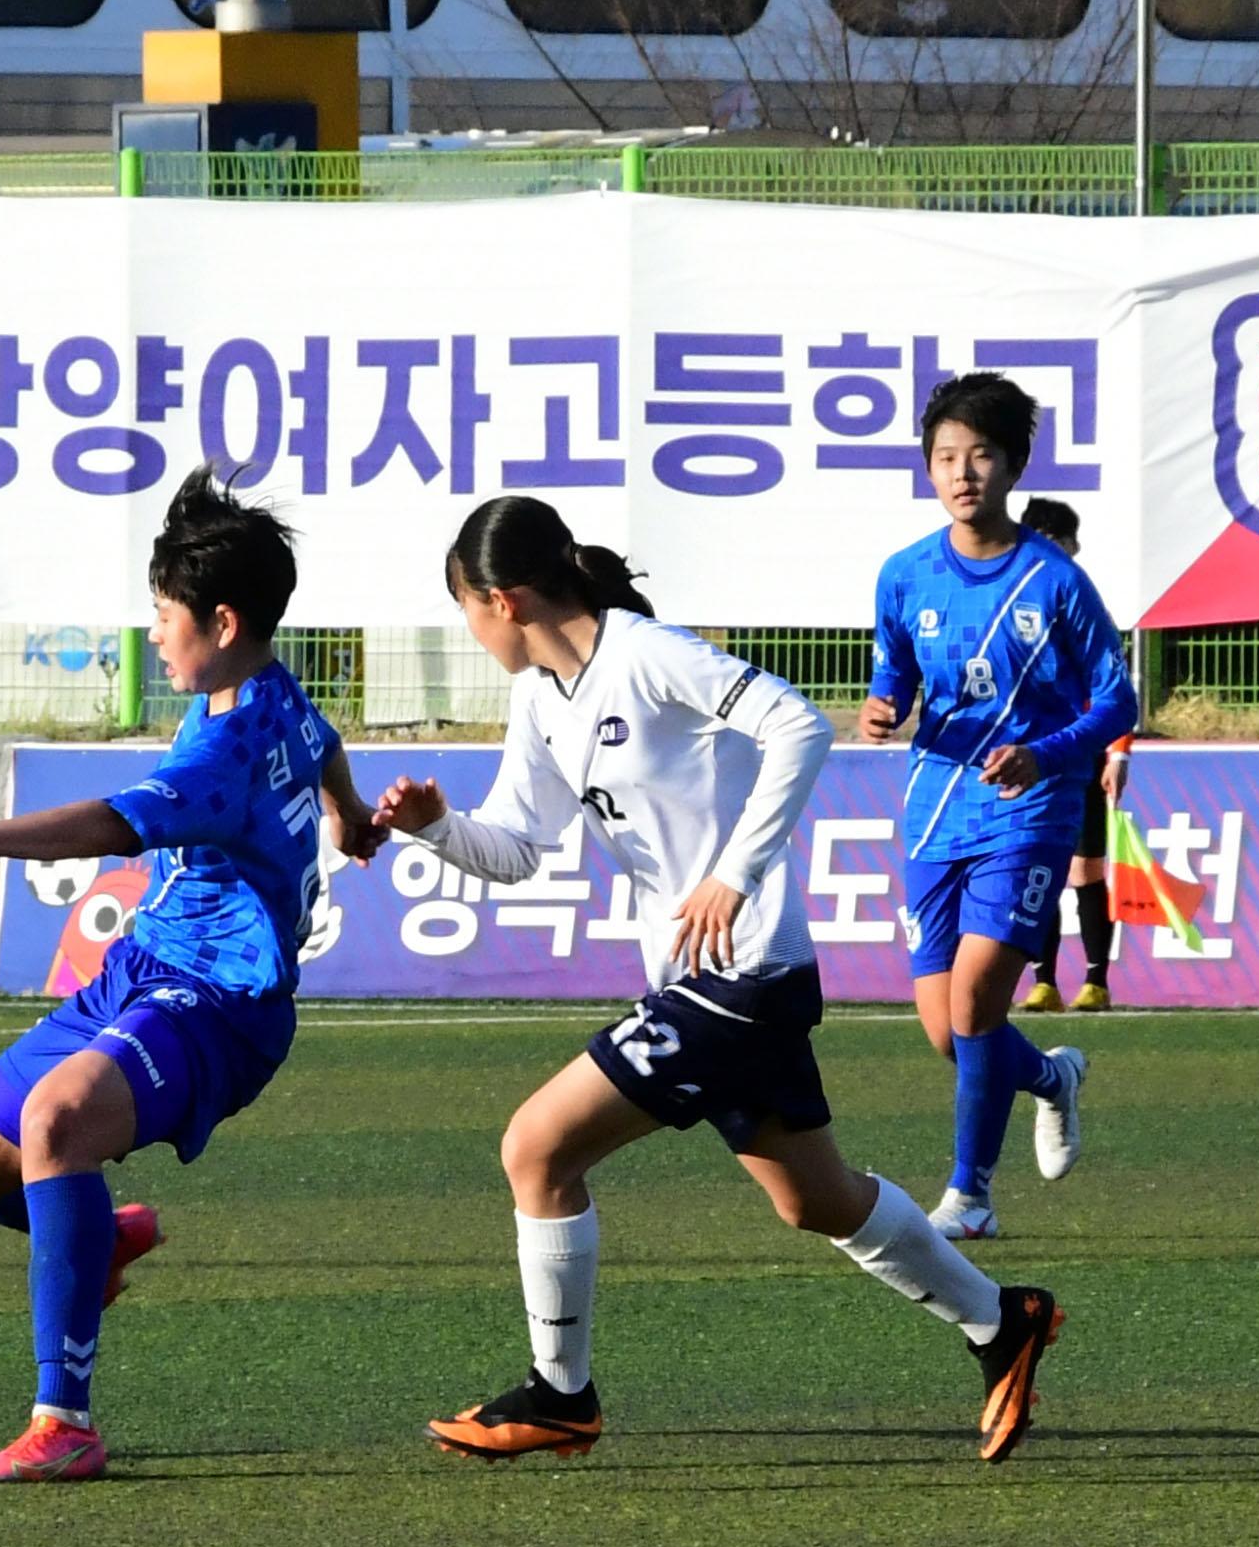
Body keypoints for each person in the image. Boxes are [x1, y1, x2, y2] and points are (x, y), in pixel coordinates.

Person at [381, 495, 1065, 1466]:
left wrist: (734, 872)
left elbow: (798, 725)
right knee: (816, 1199)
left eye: (468, 608)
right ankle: (1003, 1320)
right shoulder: (541, 697)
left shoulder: (647, 653)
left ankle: (560, 1394)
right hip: (716, 984)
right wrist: (436, 825)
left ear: (505, 597)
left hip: (737, 978)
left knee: (536, 1147)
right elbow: (522, 847)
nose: (471, 628)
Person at [0, 468, 371, 1485]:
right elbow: (327, 747)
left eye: (163, 615)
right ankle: (101, 1239)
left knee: (53, 1119)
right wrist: (349, 819)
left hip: (219, 1005)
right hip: (141, 968)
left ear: (220, 619)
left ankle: (65, 1418)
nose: (154, 633)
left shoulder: (225, 741)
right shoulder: (270, 688)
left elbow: (111, 823)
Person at [858, 375, 1136, 1239]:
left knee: (978, 1000)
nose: (962, 472)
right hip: (936, 811)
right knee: (948, 1033)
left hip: (1030, 808)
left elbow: (1116, 702)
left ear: (1014, 463)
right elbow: (897, 668)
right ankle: (1053, 1079)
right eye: (946, 456)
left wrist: (1045, 755)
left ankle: (969, 1196)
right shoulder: (904, 574)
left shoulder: (1055, 583)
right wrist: (880, 705)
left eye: (980, 454)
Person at [1013, 497, 1136, 1017]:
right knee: (1037, 867)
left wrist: (1118, 751)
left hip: (1081, 753)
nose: (1070, 551)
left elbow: (1113, 685)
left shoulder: (1082, 599)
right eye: (1063, 540)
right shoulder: (1014, 597)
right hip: (1034, 755)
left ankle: (1095, 982)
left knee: (1086, 870)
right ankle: (1043, 982)